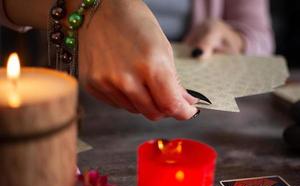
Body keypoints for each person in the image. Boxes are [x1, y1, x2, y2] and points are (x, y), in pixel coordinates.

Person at [0, 0, 274, 121]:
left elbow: (260, 36)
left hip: (201, 121)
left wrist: (235, 39)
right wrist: (95, 8)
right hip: (71, 111)